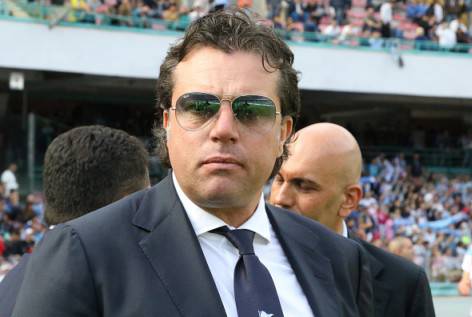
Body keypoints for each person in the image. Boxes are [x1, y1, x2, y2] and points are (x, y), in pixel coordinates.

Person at [13, 10, 373, 317]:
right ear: (167, 123)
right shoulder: (84, 253)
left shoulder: (339, 259)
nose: (224, 129)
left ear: (285, 132)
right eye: (199, 107)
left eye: (251, 110)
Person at [269, 122, 435, 317]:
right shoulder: (239, 260)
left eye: (304, 185)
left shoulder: (403, 283)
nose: (280, 198)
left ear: (349, 200)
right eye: (279, 179)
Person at [0, 125, 150, 317]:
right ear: (125, 202)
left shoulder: (13, 281)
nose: (151, 210)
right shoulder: (116, 290)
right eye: (146, 198)